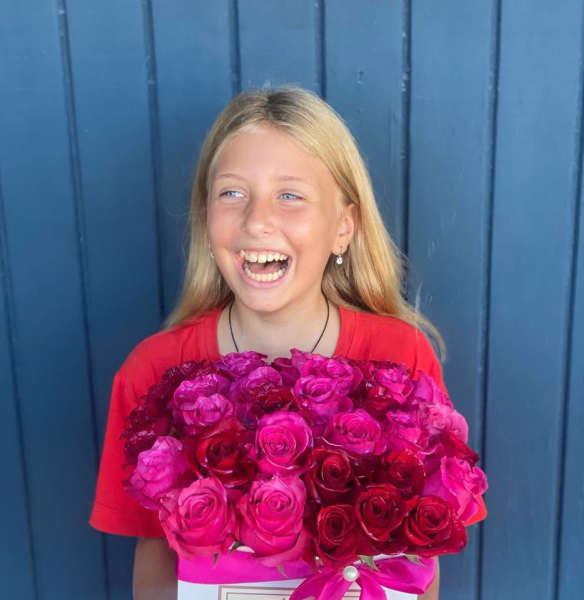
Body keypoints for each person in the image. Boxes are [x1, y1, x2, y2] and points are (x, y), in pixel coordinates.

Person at [89, 85, 487, 600]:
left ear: (344, 227)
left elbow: (420, 561)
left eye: (290, 196)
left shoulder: (401, 358)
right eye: (232, 193)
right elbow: (153, 554)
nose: (257, 220)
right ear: (205, 218)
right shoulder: (153, 368)